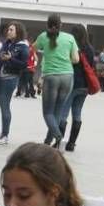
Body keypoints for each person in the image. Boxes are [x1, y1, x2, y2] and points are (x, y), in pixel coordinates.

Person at [33, 13, 77, 146]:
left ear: (47, 25)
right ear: (61, 25)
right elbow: (76, 59)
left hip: (51, 77)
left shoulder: (43, 36)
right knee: (57, 112)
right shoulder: (70, 38)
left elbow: (33, 48)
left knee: (47, 113)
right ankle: (48, 141)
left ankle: (58, 136)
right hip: (68, 76)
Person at [0, 22, 29, 145]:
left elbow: (24, 65)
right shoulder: (6, 43)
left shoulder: (23, 47)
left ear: (18, 31)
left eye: (11, 30)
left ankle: (5, 135)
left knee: (4, 106)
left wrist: (10, 59)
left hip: (9, 79)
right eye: (8, 29)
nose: (8, 31)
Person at [59, 23, 93, 152]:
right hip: (84, 86)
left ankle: (59, 141)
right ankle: (72, 143)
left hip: (71, 84)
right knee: (77, 113)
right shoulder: (90, 49)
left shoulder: (72, 47)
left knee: (63, 113)